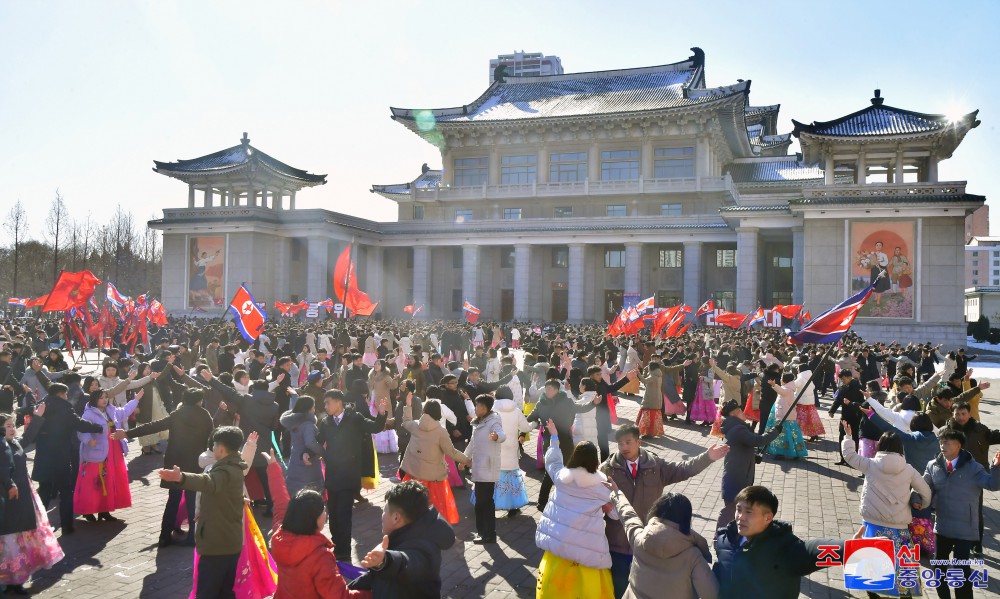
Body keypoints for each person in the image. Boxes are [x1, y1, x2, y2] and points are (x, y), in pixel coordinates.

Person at [601, 423, 728, 598]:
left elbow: (683, 469)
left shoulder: (655, 466)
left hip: (649, 544)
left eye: (628, 442)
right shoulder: (607, 469)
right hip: (618, 546)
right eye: (620, 443)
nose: (624, 447)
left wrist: (707, 457)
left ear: (639, 442)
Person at [841, 425, 932, 598]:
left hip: (873, 526)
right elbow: (926, 491)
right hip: (900, 528)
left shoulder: (870, 464)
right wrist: (922, 505)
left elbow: (849, 456)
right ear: (900, 449)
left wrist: (848, 437)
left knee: (869, 568)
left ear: (879, 446)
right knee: (903, 569)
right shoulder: (909, 470)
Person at [159, 426, 247, 599]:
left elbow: (208, 482)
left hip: (217, 544)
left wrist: (181, 477)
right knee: (225, 592)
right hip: (230, 541)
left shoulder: (224, 471)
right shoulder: (235, 467)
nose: (212, 449)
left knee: (207, 592)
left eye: (214, 446)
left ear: (221, 449)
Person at [713, 485, 842, 599]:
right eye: (739, 509)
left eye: (749, 512)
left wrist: (853, 547)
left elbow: (814, 551)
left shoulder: (785, 549)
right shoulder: (726, 539)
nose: (741, 517)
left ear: (768, 517)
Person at [534, 419, 614, 599]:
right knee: (585, 589)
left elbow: (552, 461)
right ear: (595, 461)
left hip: (559, 544)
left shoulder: (562, 477)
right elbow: (615, 515)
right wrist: (614, 492)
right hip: (587, 550)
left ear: (575, 457)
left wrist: (554, 437)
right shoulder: (601, 488)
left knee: (556, 589)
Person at [923, 429, 1000, 599]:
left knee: (960, 569)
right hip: (942, 526)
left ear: (958, 445)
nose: (943, 446)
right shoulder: (933, 465)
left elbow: (993, 485)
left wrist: (996, 467)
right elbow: (923, 486)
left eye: (948, 443)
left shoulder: (974, 468)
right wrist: (915, 497)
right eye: (941, 442)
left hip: (965, 528)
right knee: (939, 568)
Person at [23, 383, 106, 534]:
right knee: (66, 491)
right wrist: (98, 427)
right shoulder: (64, 407)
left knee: (45, 490)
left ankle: (38, 525)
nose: (67, 397)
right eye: (66, 394)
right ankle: (67, 526)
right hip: (60, 455)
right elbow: (79, 423)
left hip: (43, 455)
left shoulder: (42, 405)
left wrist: (28, 394)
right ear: (61, 394)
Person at [348, 481, 455, 598]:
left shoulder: (424, 549)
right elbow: (374, 576)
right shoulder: (410, 533)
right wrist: (347, 589)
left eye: (384, 511)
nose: (382, 515)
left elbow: (406, 562)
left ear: (396, 518)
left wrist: (386, 561)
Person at [317, 389, 388, 562]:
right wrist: (307, 452)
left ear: (339, 402)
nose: (325, 406)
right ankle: (336, 545)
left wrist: (381, 414)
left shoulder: (354, 418)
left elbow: (376, 427)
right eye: (325, 403)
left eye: (328, 403)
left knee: (343, 514)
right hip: (333, 474)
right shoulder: (326, 422)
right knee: (332, 514)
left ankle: (344, 552)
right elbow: (319, 440)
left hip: (349, 475)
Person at [607, 488, 718, 599]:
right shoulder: (693, 556)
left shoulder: (640, 538)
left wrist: (617, 494)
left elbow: (628, 516)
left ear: (656, 511)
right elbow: (710, 594)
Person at [0, 409, 65, 596]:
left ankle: (17, 579)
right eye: (7, 426)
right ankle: (9, 580)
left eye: (13, 425)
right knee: (9, 540)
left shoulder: (14, 443)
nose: (12, 429)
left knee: (20, 539)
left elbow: (27, 439)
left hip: (23, 498)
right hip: (9, 499)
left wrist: (37, 417)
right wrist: (10, 485)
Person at [270, 489, 371, 599]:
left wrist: (272, 470)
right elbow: (339, 597)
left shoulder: (280, 539)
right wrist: (374, 594)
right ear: (313, 518)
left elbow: (279, 500)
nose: (325, 513)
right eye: (323, 510)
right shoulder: (320, 556)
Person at [75, 388, 142, 522]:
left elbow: (125, 411)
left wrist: (136, 400)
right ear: (94, 399)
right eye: (101, 397)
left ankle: (105, 510)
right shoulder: (88, 414)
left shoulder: (111, 410)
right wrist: (89, 440)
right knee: (93, 481)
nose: (105, 400)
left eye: (106, 397)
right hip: (96, 452)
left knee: (110, 478)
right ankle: (88, 510)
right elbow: (81, 429)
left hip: (114, 450)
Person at [399, 396, 470, 524]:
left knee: (411, 503)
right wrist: (466, 459)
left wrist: (408, 405)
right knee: (434, 506)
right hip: (433, 477)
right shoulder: (440, 431)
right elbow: (451, 452)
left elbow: (405, 421)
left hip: (414, 472)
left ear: (424, 411)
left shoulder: (415, 425)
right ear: (438, 413)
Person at [716, 400, 781, 529]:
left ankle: (732, 538)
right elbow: (758, 440)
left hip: (737, 475)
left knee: (735, 510)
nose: (743, 412)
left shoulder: (734, 427)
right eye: (740, 411)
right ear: (734, 414)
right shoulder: (738, 428)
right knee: (730, 511)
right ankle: (719, 538)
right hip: (736, 478)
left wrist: (753, 457)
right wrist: (775, 432)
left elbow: (742, 446)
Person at [464, 394, 505, 544]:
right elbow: (472, 443)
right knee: (482, 502)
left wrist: (497, 437)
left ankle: (488, 534)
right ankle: (483, 532)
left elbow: (501, 434)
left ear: (486, 408)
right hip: (479, 468)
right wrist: (464, 458)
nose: (476, 408)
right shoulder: (479, 422)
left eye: (479, 406)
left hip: (488, 468)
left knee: (485, 502)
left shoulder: (493, 421)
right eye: (476, 405)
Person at [491, 389, 533, 517]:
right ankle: (513, 506)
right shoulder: (516, 411)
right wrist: (535, 422)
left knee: (493, 476)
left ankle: (491, 503)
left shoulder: (492, 411)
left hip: (495, 447)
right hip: (511, 448)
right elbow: (526, 428)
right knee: (511, 475)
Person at [280, 395, 325, 497]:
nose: (314, 409)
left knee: (295, 491)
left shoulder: (294, 422)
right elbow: (310, 442)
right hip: (308, 463)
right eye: (313, 407)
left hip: (295, 458)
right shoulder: (308, 425)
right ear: (309, 409)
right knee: (309, 494)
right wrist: (322, 451)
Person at [764, 373, 807, 460]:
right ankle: (795, 452)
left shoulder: (787, 389)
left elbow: (781, 391)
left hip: (785, 416)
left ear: (785, 380)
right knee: (791, 435)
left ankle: (780, 453)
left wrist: (774, 385)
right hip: (785, 415)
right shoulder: (788, 388)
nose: (780, 380)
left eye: (781, 378)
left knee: (782, 435)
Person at [830, 369, 863, 465]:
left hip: (855, 416)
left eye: (843, 379)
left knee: (854, 437)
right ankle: (843, 457)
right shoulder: (842, 388)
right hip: (844, 416)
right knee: (842, 436)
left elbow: (862, 402)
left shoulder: (858, 387)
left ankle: (853, 459)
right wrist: (832, 410)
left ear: (849, 377)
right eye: (841, 379)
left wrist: (852, 404)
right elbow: (838, 400)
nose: (842, 381)